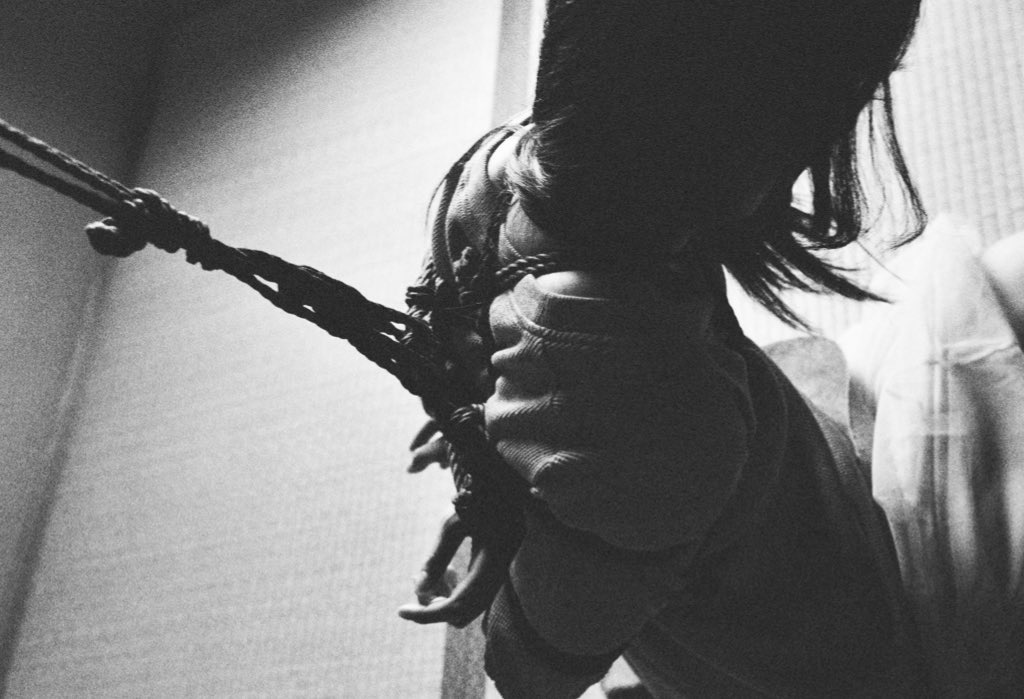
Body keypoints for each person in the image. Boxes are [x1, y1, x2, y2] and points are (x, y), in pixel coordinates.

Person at [399, 2, 933, 696]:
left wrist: (504, 451)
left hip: (771, 519)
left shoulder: (501, 165)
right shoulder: (655, 407)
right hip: (812, 653)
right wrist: (512, 464)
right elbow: (527, 672)